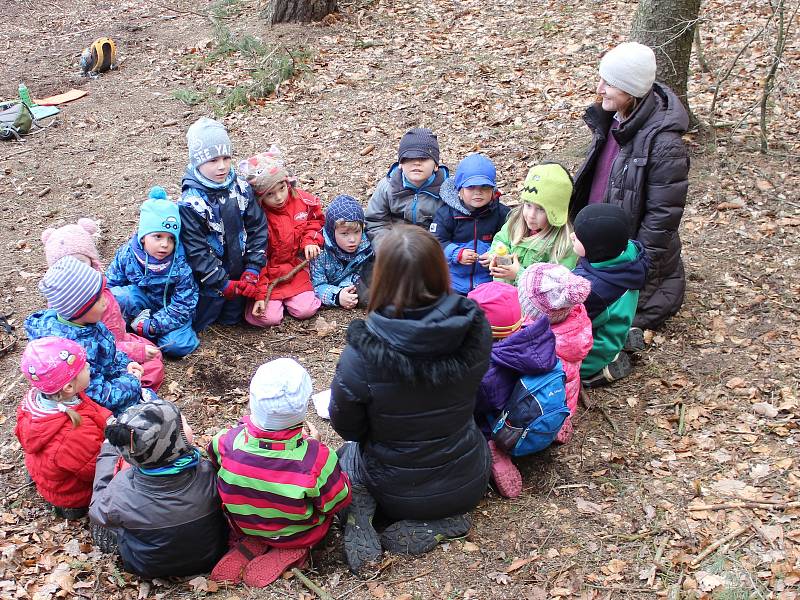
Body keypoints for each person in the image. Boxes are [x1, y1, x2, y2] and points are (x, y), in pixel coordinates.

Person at [330, 225, 492, 573]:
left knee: (346, 456)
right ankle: (447, 520)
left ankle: (359, 507)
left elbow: (348, 427)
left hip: (395, 487)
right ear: (439, 269)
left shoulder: (363, 354)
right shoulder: (476, 327)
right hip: (468, 476)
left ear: (382, 278)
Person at [570, 42, 689, 331]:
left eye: (609, 83)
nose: (599, 88)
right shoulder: (614, 119)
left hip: (627, 259)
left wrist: (634, 268)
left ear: (631, 88)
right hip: (599, 246)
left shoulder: (664, 144)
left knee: (595, 322)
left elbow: (662, 218)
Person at [208, 358, 351, 588]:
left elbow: (214, 461)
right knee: (319, 512)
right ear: (303, 408)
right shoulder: (315, 459)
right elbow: (337, 501)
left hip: (246, 522)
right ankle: (295, 548)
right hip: (299, 531)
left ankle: (255, 540)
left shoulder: (226, 441)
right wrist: (315, 450)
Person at [88, 394, 228, 579]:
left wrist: (107, 455)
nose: (187, 424)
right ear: (174, 443)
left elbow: (96, 511)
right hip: (211, 556)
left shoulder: (120, 490)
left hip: (147, 566)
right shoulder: (208, 471)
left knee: (104, 522)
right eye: (182, 423)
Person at [41, 218, 164, 390]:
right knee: (152, 367)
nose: (77, 271)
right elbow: (104, 348)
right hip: (106, 361)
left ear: (92, 261)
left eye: (80, 262)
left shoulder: (95, 287)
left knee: (151, 349)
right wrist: (135, 357)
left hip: (119, 339)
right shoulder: (80, 325)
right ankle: (138, 391)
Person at [467, 282, 557, 498]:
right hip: (535, 399)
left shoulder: (486, 372)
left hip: (503, 423)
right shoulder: (538, 337)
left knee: (473, 422)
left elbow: (473, 407)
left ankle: (497, 452)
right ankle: (554, 417)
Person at [179, 117, 268, 331]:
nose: (222, 166)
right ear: (198, 162)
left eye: (226, 158)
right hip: (210, 280)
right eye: (212, 160)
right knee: (204, 323)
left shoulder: (241, 188)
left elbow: (258, 227)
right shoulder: (192, 203)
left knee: (233, 320)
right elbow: (196, 250)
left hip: (241, 273)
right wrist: (220, 282)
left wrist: (253, 268)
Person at [25, 256, 143, 415]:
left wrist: (125, 363)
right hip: (100, 409)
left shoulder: (85, 322)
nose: (106, 302)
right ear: (80, 308)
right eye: (99, 298)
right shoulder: (73, 352)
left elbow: (108, 350)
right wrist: (132, 382)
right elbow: (97, 395)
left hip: (110, 380)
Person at [16, 337, 111, 519]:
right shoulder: (73, 435)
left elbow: (89, 408)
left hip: (56, 479)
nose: (89, 366)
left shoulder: (42, 402)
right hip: (74, 497)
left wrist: (108, 418)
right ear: (68, 386)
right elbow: (97, 470)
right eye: (83, 367)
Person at [105, 186, 200, 357]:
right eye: (158, 236)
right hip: (138, 304)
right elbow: (111, 284)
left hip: (169, 311)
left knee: (178, 346)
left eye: (171, 239)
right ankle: (125, 331)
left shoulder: (180, 264)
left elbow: (184, 304)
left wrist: (155, 325)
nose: (165, 244)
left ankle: (146, 334)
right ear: (143, 237)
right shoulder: (127, 254)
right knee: (120, 296)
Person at [238, 148, 323, 326]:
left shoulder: (302, 202)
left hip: (294, 269)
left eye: (282, 189)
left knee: (307, 310)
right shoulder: (256, 217)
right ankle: (267, 306)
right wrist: (260, 294)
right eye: (270, 194)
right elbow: (256, 257)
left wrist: (310, 241)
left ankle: (288, 302)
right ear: (259, 197)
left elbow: (316, 221)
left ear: (288, 184)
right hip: (267, 275)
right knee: (269, 318)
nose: (278, 197)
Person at [571, 204, 648, 386]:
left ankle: (598, 371)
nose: (572, 236)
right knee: (612, 322)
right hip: (613, 319)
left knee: (561, 368)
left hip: (594, 350)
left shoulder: (594, 290)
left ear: (596, 247)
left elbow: (569, 319)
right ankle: (620, 337)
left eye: (579, 237)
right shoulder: (628, 255)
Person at [517, 263, 593, 443]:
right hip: (568, 396)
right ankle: (564, 419)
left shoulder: (542, 346)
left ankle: (557, 427)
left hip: (548, 405)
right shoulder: (576, 318)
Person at [431, 154, 510, 295]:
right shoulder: (446, 214)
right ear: (460, 190)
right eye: (471, 187)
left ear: (493, 190)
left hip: (490, 282)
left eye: (485, 187)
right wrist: (457, 253)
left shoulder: (502, 214)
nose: (478, 192)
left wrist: (496, 256)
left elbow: (512, 243)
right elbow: (435, 242)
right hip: (453, 283)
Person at [489, 163, 577, 284]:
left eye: (540, 209)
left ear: (555, 211)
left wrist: (518, 274)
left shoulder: (564, 243)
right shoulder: (516, 221)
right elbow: (501, 240)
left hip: (531, 301)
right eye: (528, 205)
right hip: (503, 293)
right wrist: (495, 256)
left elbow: (556, 285)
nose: (531, 215)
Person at [364, 127, 450, 248]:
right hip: (395, 247)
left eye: (423, 158)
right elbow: (375, 222)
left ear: (436, 165)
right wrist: (386, 248)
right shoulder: (387, 187)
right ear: (400, 163)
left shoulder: (447, 191)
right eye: (409, 158)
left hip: (432, 249)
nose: (416, 163)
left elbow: (452, 227)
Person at [311, 194, 375, 309]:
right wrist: (337, 296)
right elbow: (316, 285)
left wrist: (348, 284)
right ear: (332, 232)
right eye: (344, 234)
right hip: (333, 289)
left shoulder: (366, 246)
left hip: (354, 282)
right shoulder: (320, 251)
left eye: (357, 232)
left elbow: (365, 271)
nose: (352, 239)